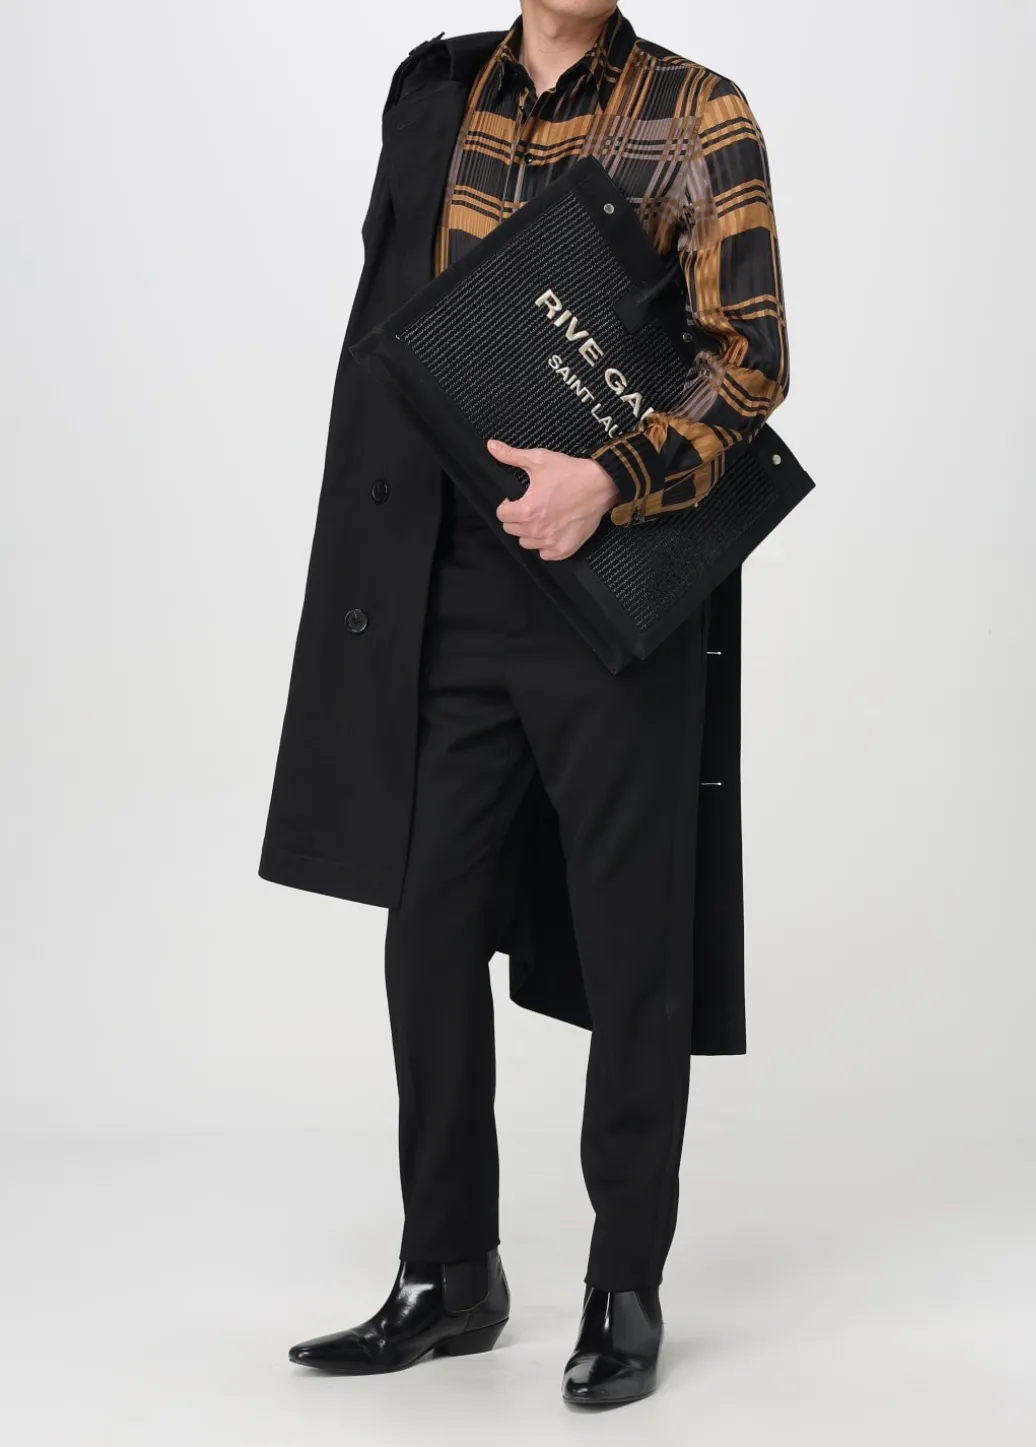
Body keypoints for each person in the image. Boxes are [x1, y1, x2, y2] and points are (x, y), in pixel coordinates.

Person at [260, 0, 789, 1406]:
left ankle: (625, 1283)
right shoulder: (437, 92)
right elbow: (395, 322)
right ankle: (449, 1273)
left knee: (632, 941)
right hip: (448, 581)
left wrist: (610, 478)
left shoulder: (698, 113)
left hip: (611, 591)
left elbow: (749, 361)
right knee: (426, 926)